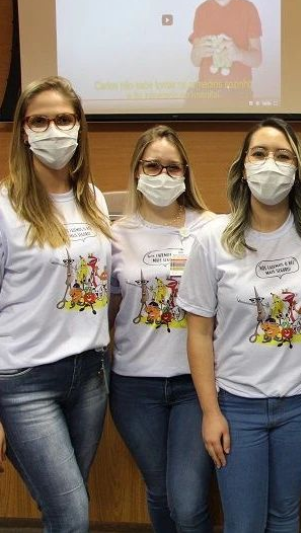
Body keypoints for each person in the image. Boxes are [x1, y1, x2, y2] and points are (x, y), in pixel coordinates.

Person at [178, 118, 301, 533]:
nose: (270, 164)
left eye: (283, 156)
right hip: (237, 404)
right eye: (259, 154)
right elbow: (198, 332)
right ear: (243, 168)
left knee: (285, 515)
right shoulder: (213, 239)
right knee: (243, 522)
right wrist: (210, 412)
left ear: (297, 169)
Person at [0, 76, 111, 532]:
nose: (53, 130)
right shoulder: (5, 207)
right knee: (72, 514)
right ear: (23, 132)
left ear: (79, 126)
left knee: (64, 511)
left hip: (89, 377)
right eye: (39, 121)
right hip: (25, 383)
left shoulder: (93, 199)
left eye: (64, 119)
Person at [109, 125, 215, 532]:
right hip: (134, 386)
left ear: (186, 172)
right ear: (137, 170)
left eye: (173, 167)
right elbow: (109, 308)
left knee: (187, 503)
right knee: (158, 492)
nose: (162, 175)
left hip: (194, 384)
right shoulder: (116, 234)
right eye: (152, 166)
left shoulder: (212, 228)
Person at [189, 0, 262, 103]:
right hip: (205, 91)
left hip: (239, 93)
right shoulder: (202, 10)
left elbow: (257, 60)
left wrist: (239, 54)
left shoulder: (248, 8)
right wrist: (198, 53)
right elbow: (195, 61)